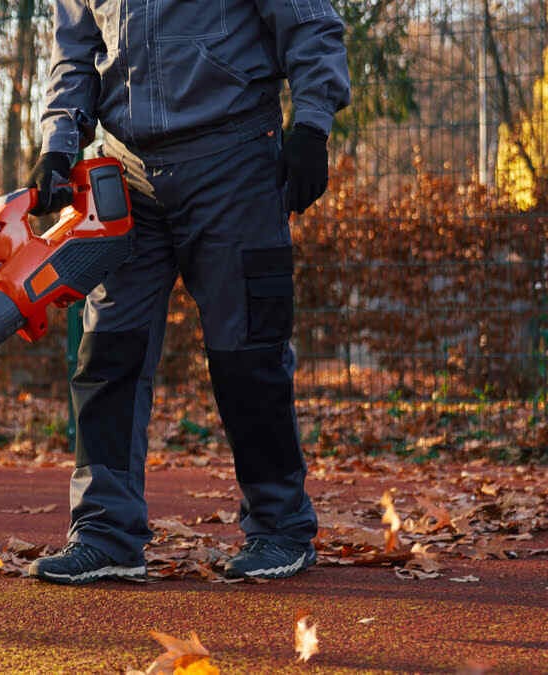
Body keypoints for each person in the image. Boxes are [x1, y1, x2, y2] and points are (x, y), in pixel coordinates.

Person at [24, 0, 351, 584]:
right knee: (107, 355)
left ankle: (279, 527)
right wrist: (59, 144)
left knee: (247, 351)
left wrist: (312, 124)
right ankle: (105, 533)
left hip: (235, 162)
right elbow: (74, 52)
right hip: (124, 171)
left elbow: (307, 19)